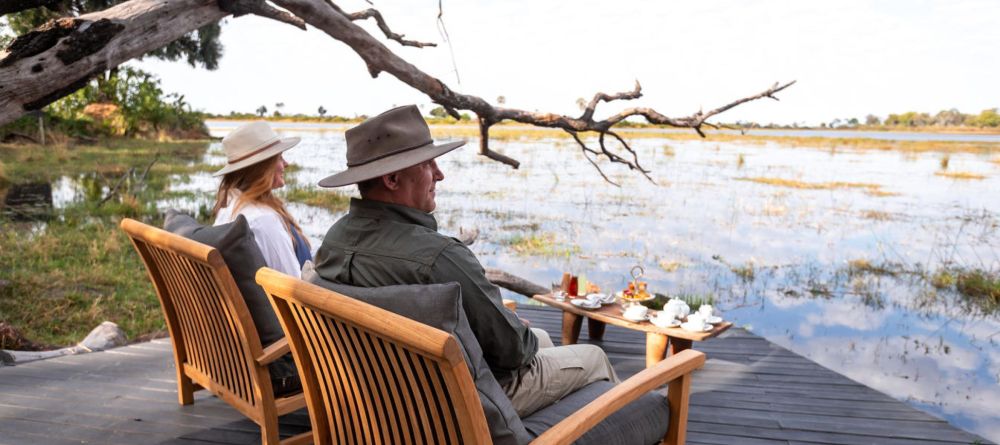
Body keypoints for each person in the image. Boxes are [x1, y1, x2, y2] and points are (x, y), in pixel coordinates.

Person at [313, 105, 618, 417]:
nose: (440, 174)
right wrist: (512, 328)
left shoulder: (335, 240)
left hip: (386, 396)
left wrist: (510, 329)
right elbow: (512, 352)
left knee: (539, 338)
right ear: (392, 179)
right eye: (428, 164)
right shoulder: (438, 257)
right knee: (592, 356)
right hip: (459, 407)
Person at [212, 121, 311, 278]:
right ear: (263, 168)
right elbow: (293, 283)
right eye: (279, 158)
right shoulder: (262, 219)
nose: (286, 164)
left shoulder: (228, 209)